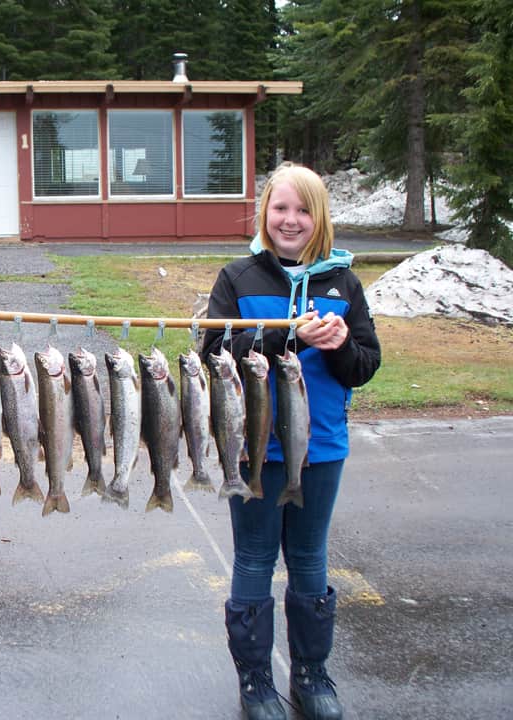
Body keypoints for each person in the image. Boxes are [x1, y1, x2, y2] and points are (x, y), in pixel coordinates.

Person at [201, 162, 381, 720]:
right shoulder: (238, 278)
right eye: (281, 208)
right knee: (254, 558)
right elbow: (211, 353)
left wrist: (338, 343)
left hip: (321, 448)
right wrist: (283, 333)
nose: (291, 220)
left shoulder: (343, 283)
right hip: (251, 448)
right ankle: (256, 680)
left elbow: (364, 367)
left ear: (319, 217)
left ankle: (311, 675)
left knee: (309, 559)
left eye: (303, 210)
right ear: (265, 214)